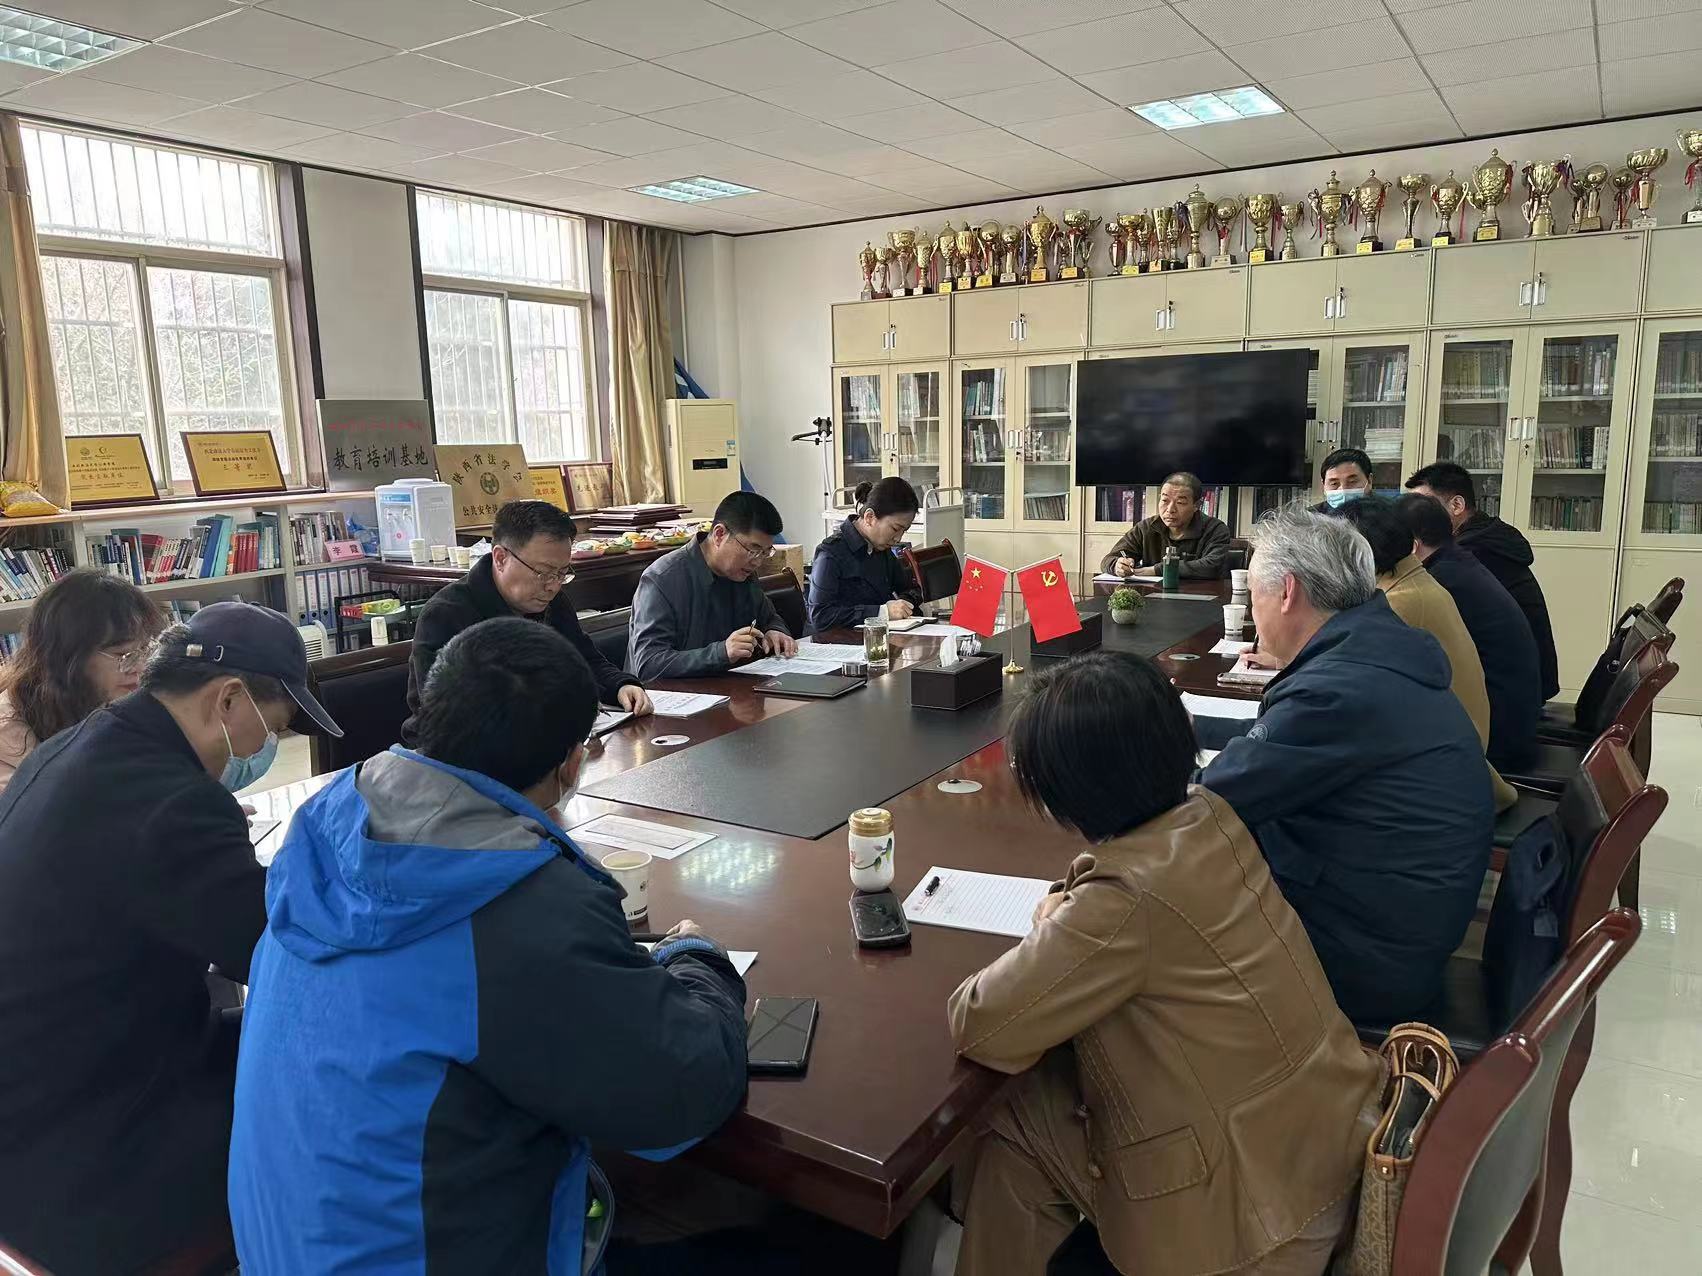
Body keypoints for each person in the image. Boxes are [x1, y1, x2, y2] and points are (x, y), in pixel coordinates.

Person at [229, 618, 748, 1272]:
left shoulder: (322, 827)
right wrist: (698, 961)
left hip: (280, 1248)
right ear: (573, 762)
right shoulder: (519, 904)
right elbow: (681, 1096)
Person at [948, 652, 1381, 1276]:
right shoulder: (1209, 815)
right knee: (1026, 1124)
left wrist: (1050, 921)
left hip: (1250, 1229)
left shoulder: (1125, 899)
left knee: (1011, 1115)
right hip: (1320, 1157)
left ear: (1070, 791)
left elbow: (980, 1022)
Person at [0, 601, 341, 1275]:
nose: (268, 748)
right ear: (228, 699)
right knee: (337, 1088)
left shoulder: (85, 744)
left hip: (44, 1090)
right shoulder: (172, 801)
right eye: (274, 728)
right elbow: (280, 955)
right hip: (91, 1144)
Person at [1195, 506, 1492, 1023]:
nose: (1250, 610)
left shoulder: (1337, 690)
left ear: (1287, 593)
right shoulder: (1373, 649)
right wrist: (1185, 728)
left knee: (1150, 922)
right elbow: (1276, 748)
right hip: (1389, 921)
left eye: (1253, 592)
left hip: (1359, 960)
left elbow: (1206, 802)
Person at [403, 499, 650, 745]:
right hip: (456, 752)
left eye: (562, 573)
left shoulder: (552, 601)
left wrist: (620, 685)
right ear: (500, 558)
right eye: (543, 572)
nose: (553, 586)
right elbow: (448, 712)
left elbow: (584, 658)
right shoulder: (446, 614)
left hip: (542, 743)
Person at [1333, 496, 1520, 812]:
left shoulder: (1400, 603)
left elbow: (1340, 679)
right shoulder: (1412, 581)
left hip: (1447, 774)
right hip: (1459, 750)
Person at [1399, 492, 1541, 772]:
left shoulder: (1439, 582)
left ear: (1412, 546)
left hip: (1496, 741)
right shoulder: (1458, 563)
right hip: (1513, 717)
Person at [1405, 461, 1559, 701]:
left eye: (1423, 506)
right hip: (1525, 684)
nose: (1414, 517)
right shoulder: (1488, 536)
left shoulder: (1468, 555)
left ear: (1457, 505)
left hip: (1508, 696)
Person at [0, 568, 162, 793]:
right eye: (123, 655)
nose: (140, 668)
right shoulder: (9, 736)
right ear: (67, 657)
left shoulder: (119, 699)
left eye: (144, 650)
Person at [628, 490, 799, 681]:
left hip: (732, 688)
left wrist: (775, 631)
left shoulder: (743, 572)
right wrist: (721, 653)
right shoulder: (662, 579)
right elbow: (648, 664)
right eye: (753, 550)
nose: (757, 562)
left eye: (766, 552)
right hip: (674, 695)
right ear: (719, 534)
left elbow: (768, 617)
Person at [807, 477, 923, 633]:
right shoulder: (830, 553)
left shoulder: (881, 548)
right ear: (869, 517)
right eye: (895, 529)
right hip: (839, 642)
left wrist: (904, 604)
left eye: (904, 531)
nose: (898, 538)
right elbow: (820, 617)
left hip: (880, 637)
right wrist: (881, 612)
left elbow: (912, 589)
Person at [1100, 472, 1231, 579]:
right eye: (1164, 500)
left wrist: (1157, 570)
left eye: (1180, 502)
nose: (1170, 509)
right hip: (1152, 597)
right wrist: (1117, 565)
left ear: (1196, 505)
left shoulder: (1215, 529)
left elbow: (1212, 566)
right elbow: (1108, 559)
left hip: (1200, 597)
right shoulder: (1146, 527)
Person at [1308, 446, 1374, 512]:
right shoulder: (1311, 516)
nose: (1343, 490)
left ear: (1369, 481)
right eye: (1334, 484)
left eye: (1352, 481)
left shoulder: (1380, 514)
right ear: (1323, 485)